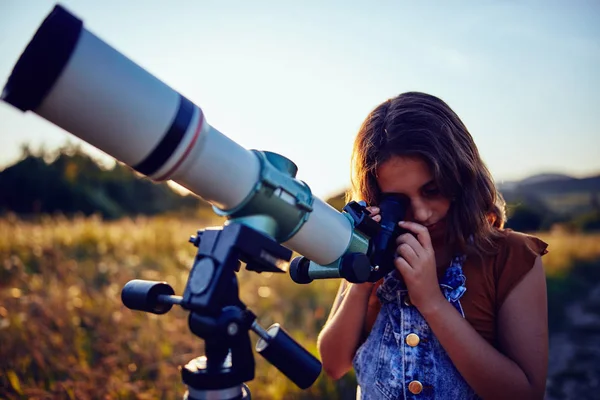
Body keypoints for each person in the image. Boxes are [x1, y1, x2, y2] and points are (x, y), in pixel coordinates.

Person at [317, 92, 549, 399]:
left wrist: (432, 301)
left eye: (433, 190)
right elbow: (334, 365)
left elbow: (524, 394)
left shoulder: (511, 257)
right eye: (399, 202)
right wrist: (362, 279)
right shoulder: (373, 248)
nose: (423, 213)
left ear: (462, 175)